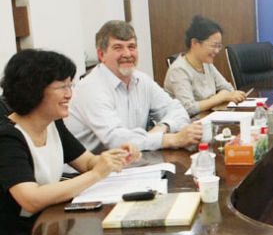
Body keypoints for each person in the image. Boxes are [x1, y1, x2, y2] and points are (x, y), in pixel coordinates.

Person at [0, 49, 140, 235]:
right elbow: (30, 199)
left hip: (50, 228)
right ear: (33, 90)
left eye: (70, 85)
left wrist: (113, 157)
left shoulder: (53, 123)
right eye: (62, 87)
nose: (69, 94)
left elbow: (87, 162)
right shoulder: (7, 138)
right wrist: (96, 174)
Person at [66, 20, 203, 151]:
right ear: (101, 55)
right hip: (92, 165)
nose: (127, 54)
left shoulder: (142, 80)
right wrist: (172, 139)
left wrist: (163, 126)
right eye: (118, 48)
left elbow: (178, 111)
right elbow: (117, 141)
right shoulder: (91, 88)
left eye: (131, 47)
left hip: (133, 159)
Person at [164, 15, 246, 116]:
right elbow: (189, 108)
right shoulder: (179, 70)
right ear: (195, 43)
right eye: (213, 46)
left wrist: (220, 97)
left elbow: (228, 88)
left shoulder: (206, 63)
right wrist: (220, 98)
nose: (217, 51)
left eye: (219, 46)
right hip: (188, 123)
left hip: (208, 117)